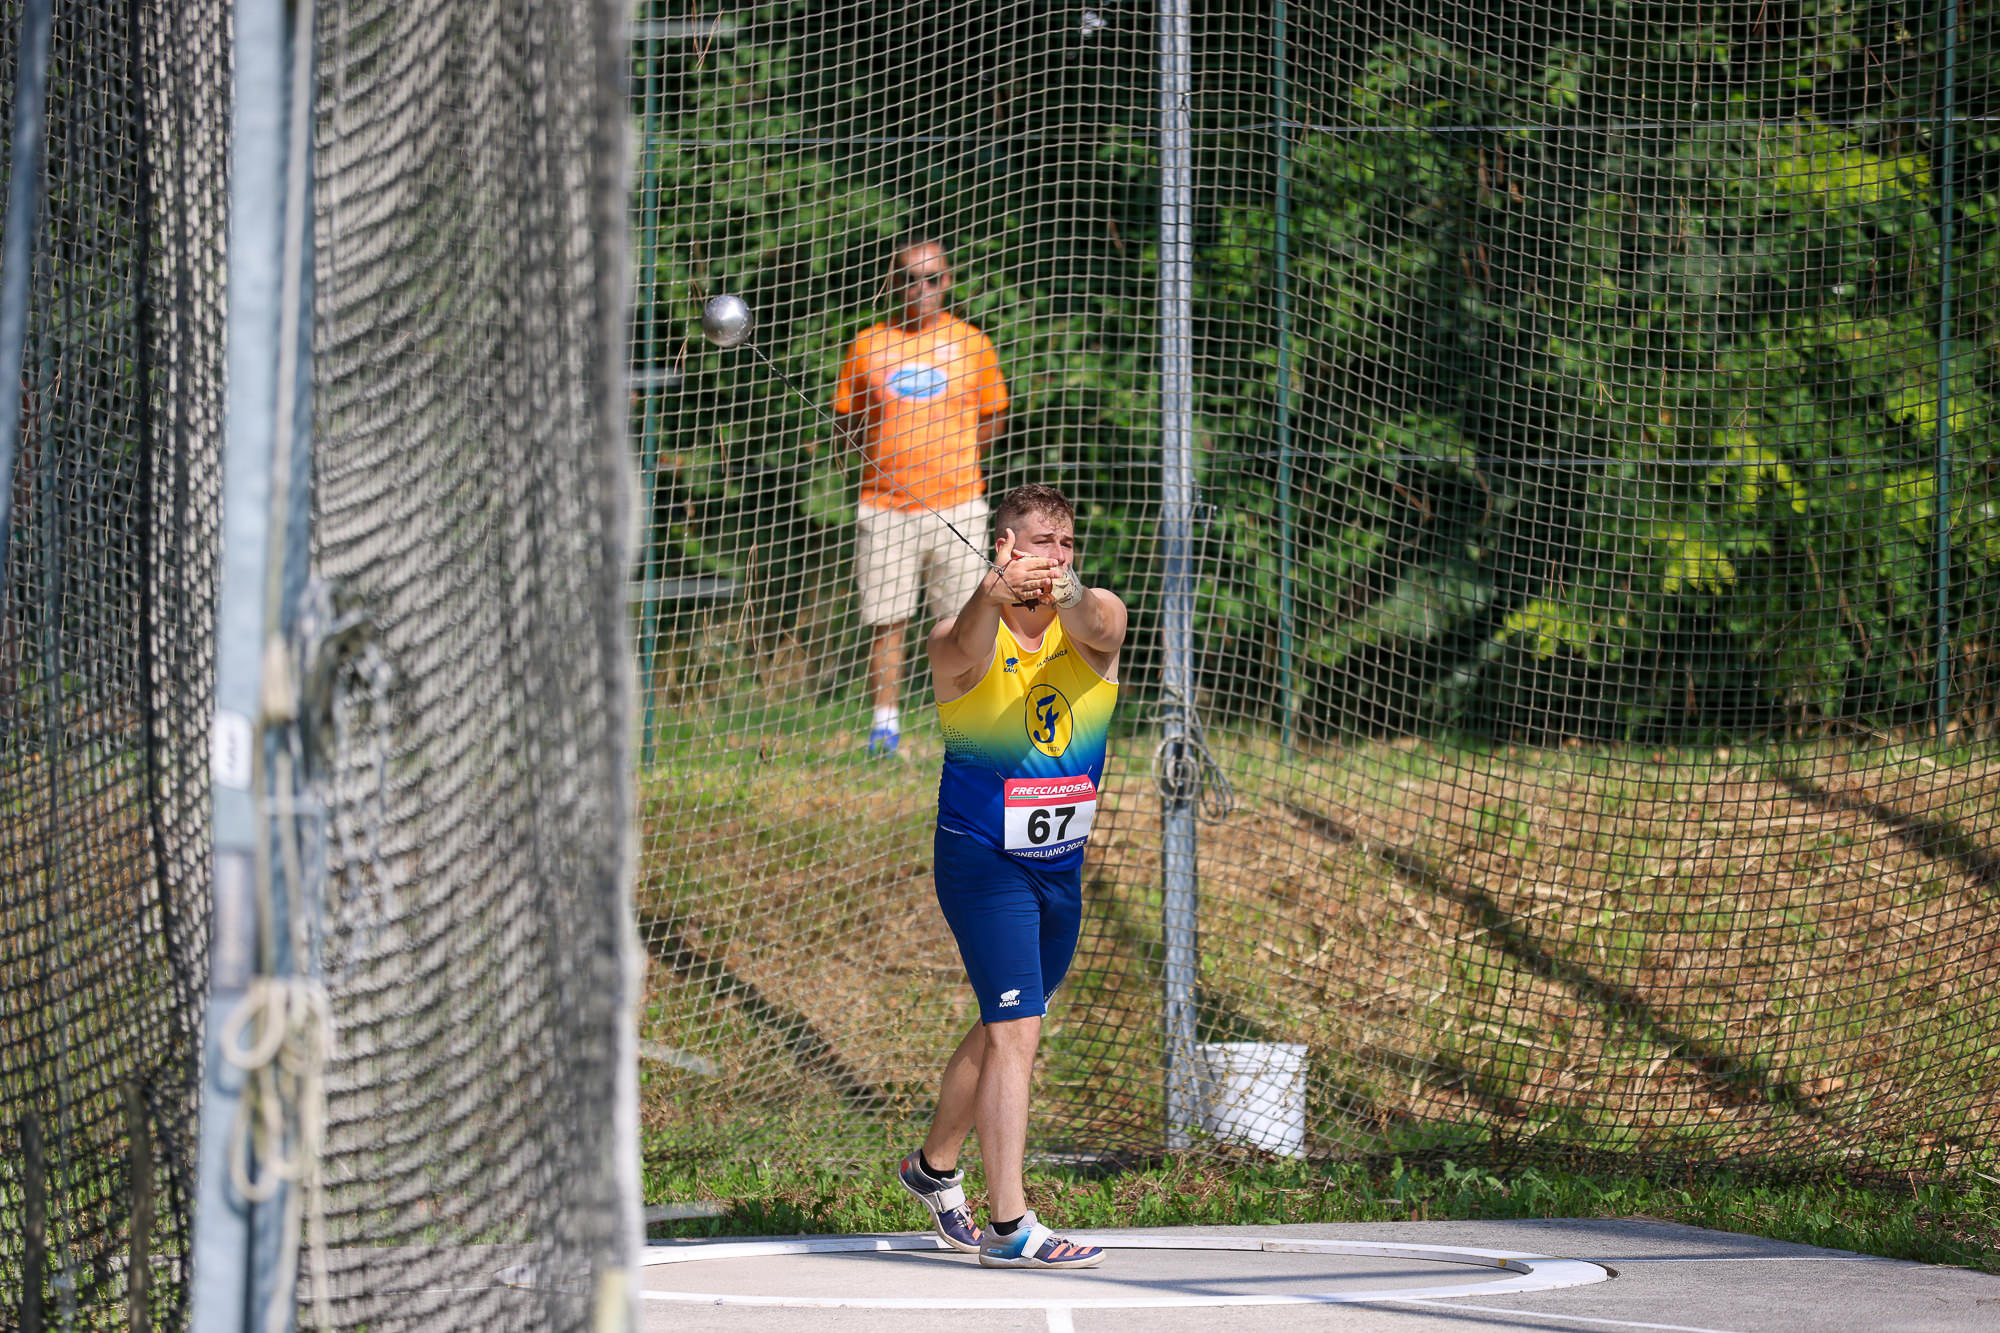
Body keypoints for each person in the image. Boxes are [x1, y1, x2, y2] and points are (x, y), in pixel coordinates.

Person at [895, 483, 1126, 1270]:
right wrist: (992, 592)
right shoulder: (960, 637)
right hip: (983, 861)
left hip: (1061, 871)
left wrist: (1065, 589)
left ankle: (932, 1168)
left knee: (1007, 1021)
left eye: (1067, 543)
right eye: (1041, 543)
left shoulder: (1096, 621)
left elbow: (1098, 620)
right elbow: (962, 642)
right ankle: (1008, 1224)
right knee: (1017, 1028)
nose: (1057, 556)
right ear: (1003, 548)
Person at [835, 238, 1009, 754]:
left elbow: (993, 416)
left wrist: (955, 465)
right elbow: (846, 420)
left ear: (947, 281)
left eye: (932, 278)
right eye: (911, 279)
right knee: (887, 621)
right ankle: (884, 730)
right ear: (894, 283)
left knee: (966, 624)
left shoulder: (973, 344)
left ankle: (973, 730)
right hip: (884, 506)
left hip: (959, 505)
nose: (922, 288)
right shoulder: (868, 344)